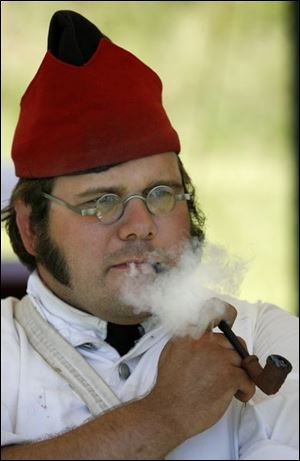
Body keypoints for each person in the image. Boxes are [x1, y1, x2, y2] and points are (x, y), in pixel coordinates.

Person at [1, 10, 298, 460]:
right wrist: (163, 417)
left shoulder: (269, 336)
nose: (140, 225)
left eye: (162, 193)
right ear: (30, 225)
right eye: (100, 201)